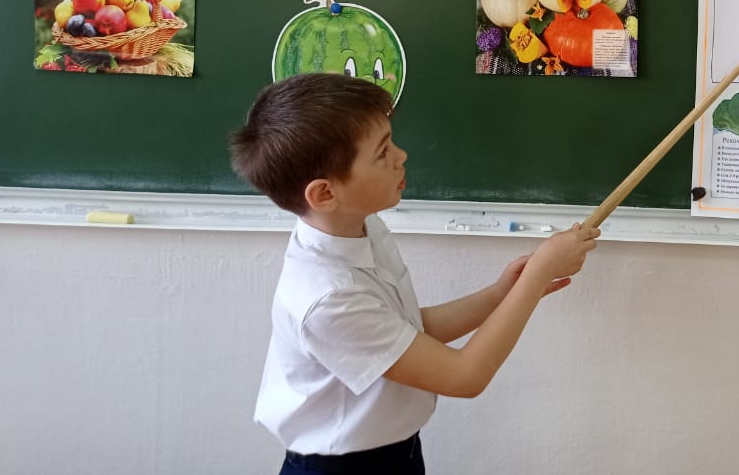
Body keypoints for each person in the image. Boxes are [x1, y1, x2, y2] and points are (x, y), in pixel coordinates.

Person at [230, 73, 600, 475]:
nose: (401, 156)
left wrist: (501, 293)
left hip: (397, 454)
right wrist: (537, 274)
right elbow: (465, 376)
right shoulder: (328, 298)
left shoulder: (361, 228)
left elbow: (409, 333)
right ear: (325, 193)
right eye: (382, 152)